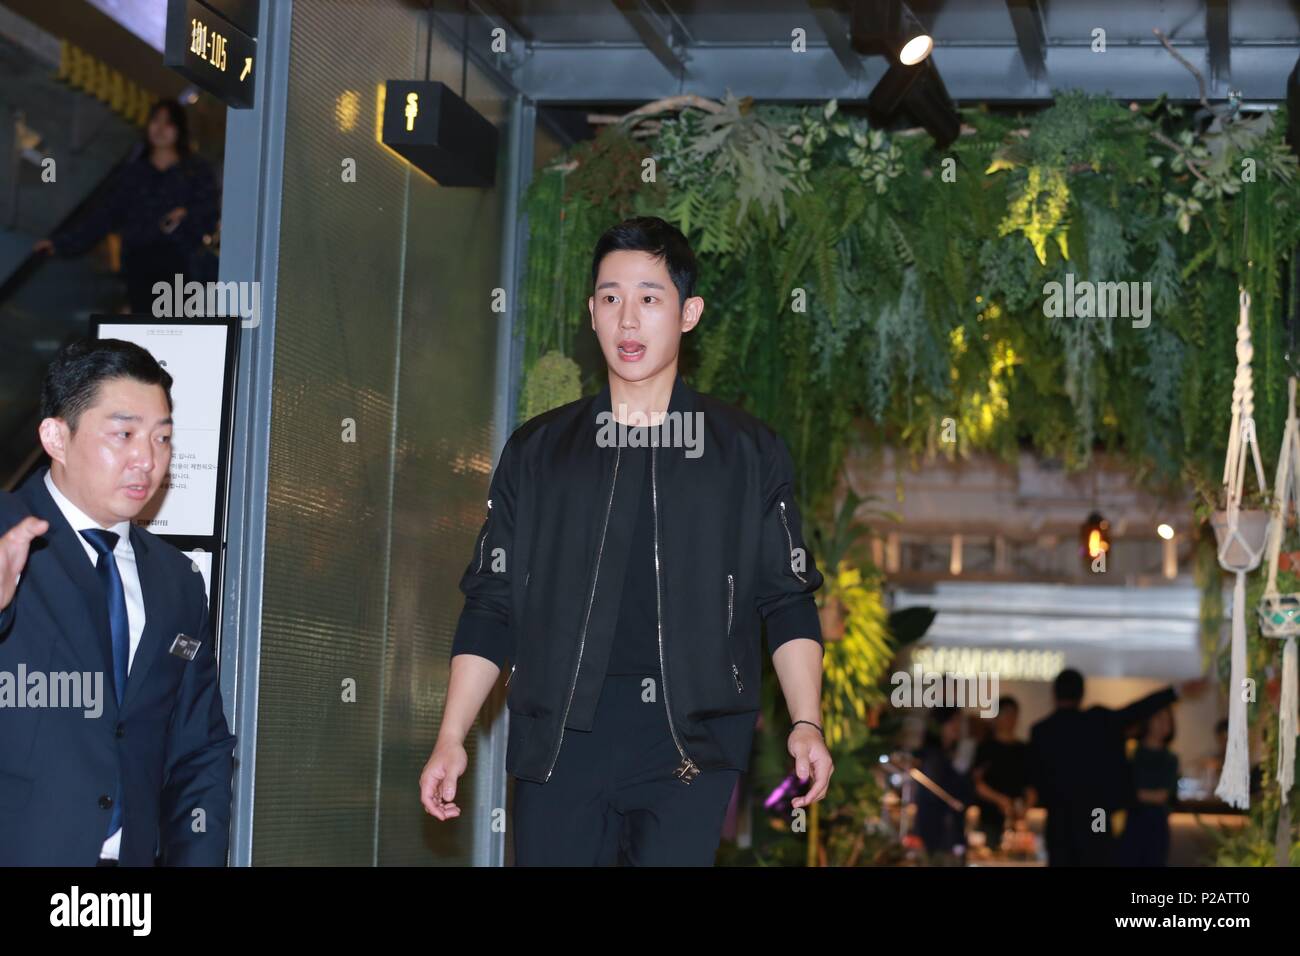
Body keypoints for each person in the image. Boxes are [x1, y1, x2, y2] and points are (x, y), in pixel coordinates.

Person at [419, 216, 831, 865]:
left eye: (649, 297)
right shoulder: (540, 451)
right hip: (558, 743)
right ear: (591, 311)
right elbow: (492, 601)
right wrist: (451, 735)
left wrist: (806, 720)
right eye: (611, 298)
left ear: (688, 312)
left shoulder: (745, 453)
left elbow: (786, 600)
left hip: (691, 746)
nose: (628, 319)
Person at [0, 339, 236, 865]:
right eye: (123, 434)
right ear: (57, 437)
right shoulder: (6, 533)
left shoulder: (178, 580)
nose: (146, 460)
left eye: (162, 438)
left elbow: (197, 746)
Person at [33, 99, 220, 313]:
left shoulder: (195, 171)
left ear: (179, 129)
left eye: (168, 123)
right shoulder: (132, 173)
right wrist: (62, 243)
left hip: (183, 265)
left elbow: (209, 213)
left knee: (177, 327)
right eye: (155, 121)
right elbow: (104, 216)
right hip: (139, 264)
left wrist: (185, 216)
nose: (160, 129)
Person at [1027, 668, 1203, 867]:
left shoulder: (1041, 731)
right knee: (1098, 856)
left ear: (1055, 693)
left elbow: (1035, 778)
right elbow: (1137, 709)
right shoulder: (1098, 720)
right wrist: (1175, 691)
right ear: (1082, 693)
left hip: (1060, 820)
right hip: (1098, 813)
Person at [1117, 705, 1179, 866]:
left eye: (1167, 719)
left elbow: (1162, 796)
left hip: (1156, 826)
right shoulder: (1130, 752)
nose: (1163, 723)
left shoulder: (1170, 759)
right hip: (1131, 824)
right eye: (1159, 718)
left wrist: (1134, 794)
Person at [912, 707, 976, 860]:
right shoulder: (933, 756)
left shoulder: (949, 755)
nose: (957, 727)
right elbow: (939, 794)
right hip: (938, 834)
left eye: (959, 722)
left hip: (948, 833)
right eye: (952, 721)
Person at [972, 695, 1034, 850]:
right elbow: (976, 782)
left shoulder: (1023, 749)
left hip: (1016, 821)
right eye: (1006, 713)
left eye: (1013, 714)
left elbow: (1031, 785)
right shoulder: (986, 748)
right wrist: (999, 800)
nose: (1010, 718)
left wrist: (1025, 808)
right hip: (990, 819)